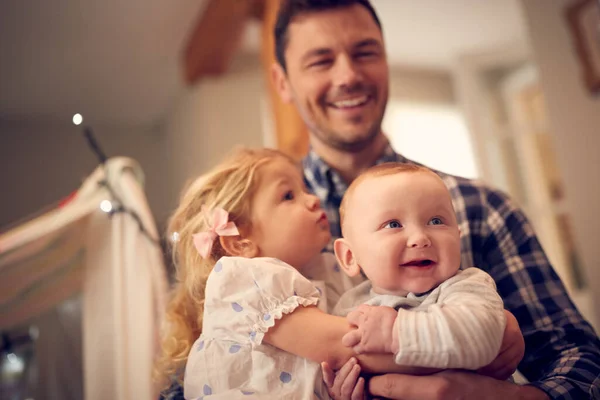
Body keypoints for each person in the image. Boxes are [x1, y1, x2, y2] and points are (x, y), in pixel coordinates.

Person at [160, 0, 600, 398]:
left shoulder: (482, 210)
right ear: (283, 82)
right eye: (321, 60)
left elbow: (581, 362)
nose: (348, 75)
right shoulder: (258, 238)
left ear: (386, 61)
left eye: (365, 52)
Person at [156, 148, 451, 400]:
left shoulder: (329, 271)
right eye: (288, 195)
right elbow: (345, 346)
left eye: (305, 189)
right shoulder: (244, 279)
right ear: (240, 241)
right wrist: (452, 348)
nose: (312, 200)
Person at [330, 163, 506, 371]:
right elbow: (343, 356)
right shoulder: (349, 306)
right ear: (350, 256)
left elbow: (482, 337)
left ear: (458, 238)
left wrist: (394, 332)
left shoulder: (466, 286)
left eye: (436, 221)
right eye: (393, 225)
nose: (420, 238)